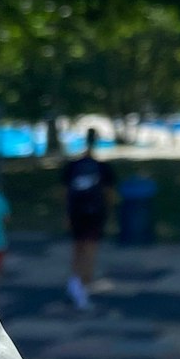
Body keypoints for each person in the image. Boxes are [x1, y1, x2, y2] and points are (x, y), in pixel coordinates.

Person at [61, 128, 115, 310]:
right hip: (95, 213)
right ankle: (82, 290)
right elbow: (109, 193)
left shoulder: (73, 166)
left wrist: (67, 214)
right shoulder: (102, 168)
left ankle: (74, 284)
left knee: (78, 250)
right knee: (90, 252)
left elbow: (65, 192)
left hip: (76, 213)